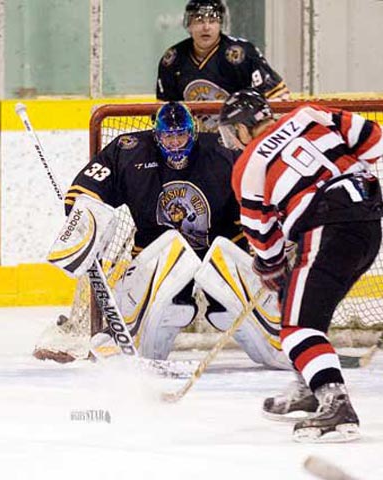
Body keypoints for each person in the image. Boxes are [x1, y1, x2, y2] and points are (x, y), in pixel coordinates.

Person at [57, 101, 290, 370]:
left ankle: (277, 340)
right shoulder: (128, 151)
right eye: (169, 136)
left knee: (226, 313)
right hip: (158, 257)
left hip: (221, 254)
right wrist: (84, 222)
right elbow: (85, 190)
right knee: (174, 310)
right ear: (157, 136)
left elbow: (264, 189)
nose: (176, 143)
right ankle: (135, 338)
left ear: (193, 133)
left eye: (181, 135)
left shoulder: (222, 151)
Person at [218, 88, 383, 442]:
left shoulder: (248, 165)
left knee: (296, 325)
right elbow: (373, 138)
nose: (233, 140)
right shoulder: (309, 114)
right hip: (368, 224)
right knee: (301, 303)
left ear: (245, 129)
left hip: (328, 228)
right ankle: (309, 385)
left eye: (233, 132)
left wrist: (271, 266)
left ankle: (335, 402)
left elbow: (261, 234)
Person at [156, 0, 289, 131]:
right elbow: (164, 112)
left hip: (239, 140)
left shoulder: (243, 54)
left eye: (213, 21)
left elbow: (279, 96)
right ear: (188, 25)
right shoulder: (173, 60)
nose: (206, 27)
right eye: (199, 20)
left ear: (221, 24)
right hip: (197, 143)